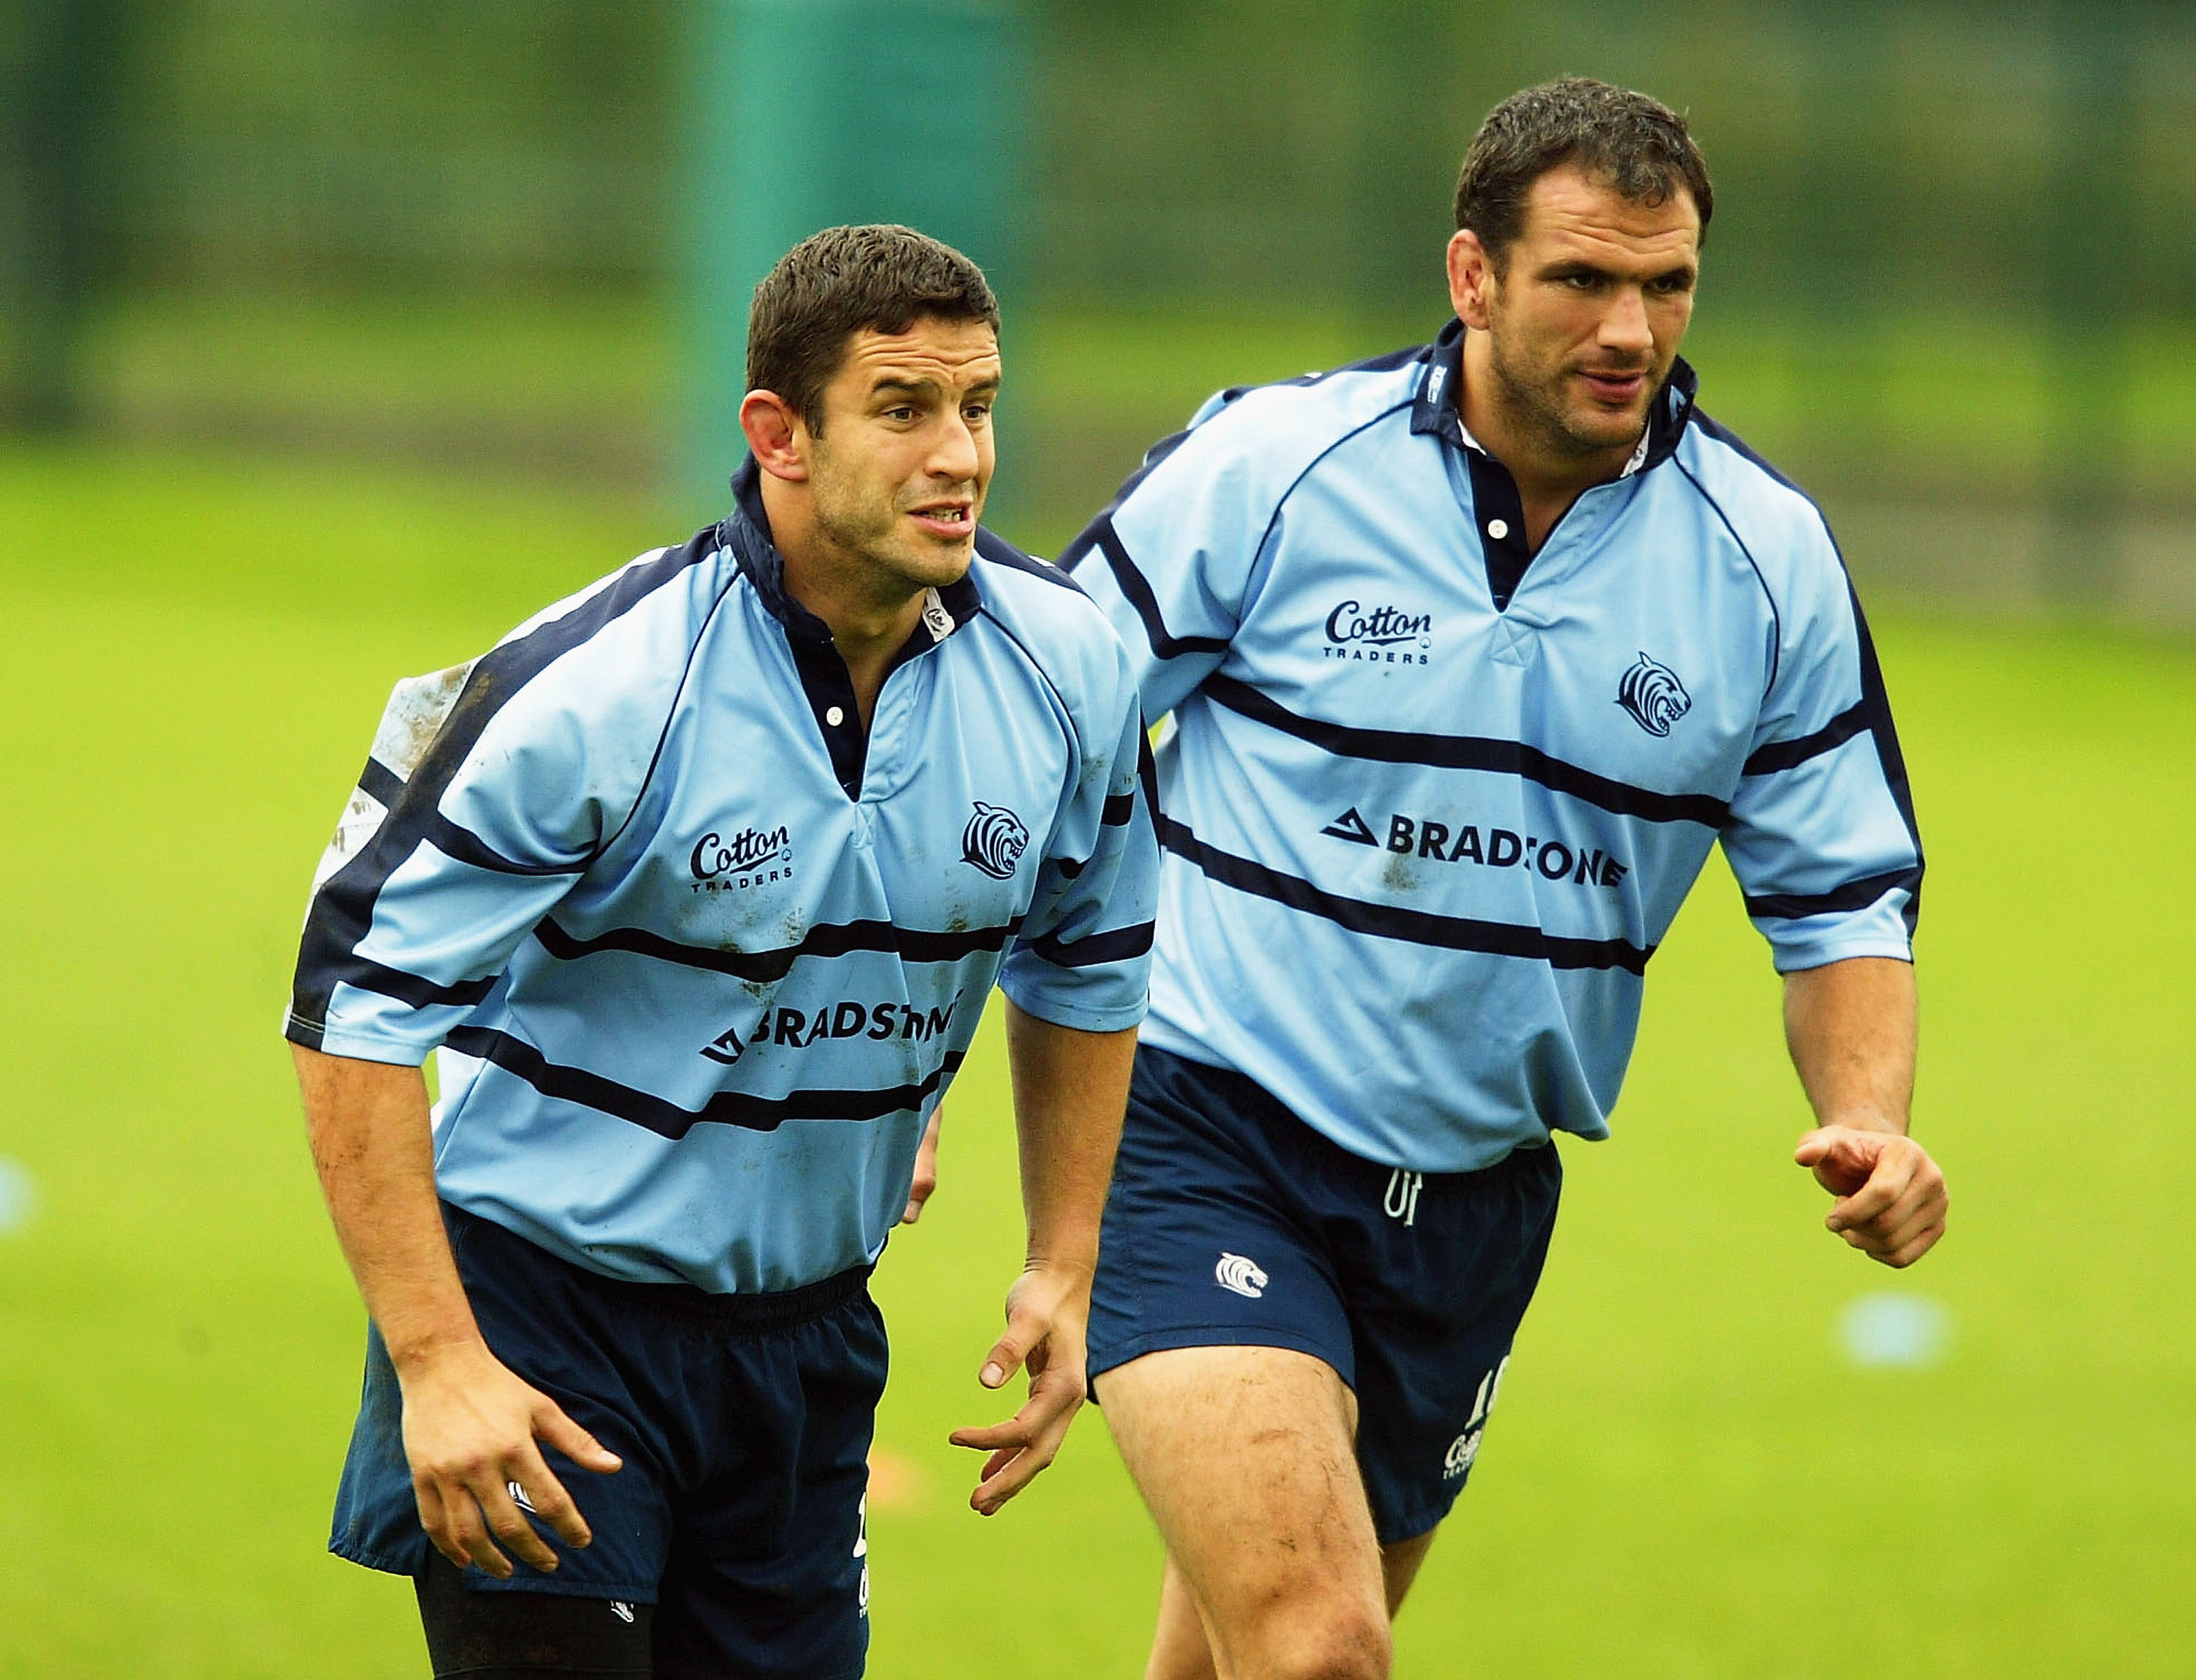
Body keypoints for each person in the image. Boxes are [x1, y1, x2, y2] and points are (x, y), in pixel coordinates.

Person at [1058, 78, 1949, 1680]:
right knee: (1324, 1647)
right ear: (1472, 275)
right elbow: (1032, 728)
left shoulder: (1765, 558)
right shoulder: (1276, 465)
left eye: (1667, 283)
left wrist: (1875, 1116)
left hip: (1473, 1198)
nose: (1632, 327)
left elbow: (1842, 896)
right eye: (1584, 281)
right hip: (1204, 1120)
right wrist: (900, 1064)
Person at [284, 223, 1157, 1679]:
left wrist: (1066, 1260)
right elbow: (355, 1005)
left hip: (807, 1341)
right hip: (547, 1326)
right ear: (778, 434)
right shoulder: (600, 690)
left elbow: (1088, 960)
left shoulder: (1073, 672)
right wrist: (440, 1363)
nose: (960, 455)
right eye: (903, 407)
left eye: (979, 405)